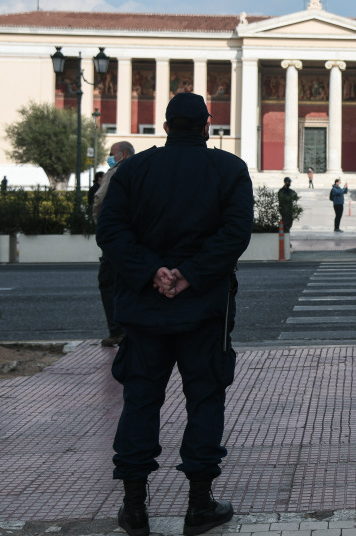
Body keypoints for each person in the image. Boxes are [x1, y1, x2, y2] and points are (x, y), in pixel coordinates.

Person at [96, 93, 252, 536]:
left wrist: (153, 272)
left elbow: (110, 230)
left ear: (166, 127)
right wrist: (190, 274)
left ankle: (134, 507)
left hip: (144, 307)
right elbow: (235, 233)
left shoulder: (133, 170)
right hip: (204, 307)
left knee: (140, 401)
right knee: (205, 400)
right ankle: (199, 505)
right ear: (207, 126)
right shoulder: (229, 169)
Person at [93, 141, 136, 348]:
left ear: (123, 154)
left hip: (116, 234)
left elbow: (99, 199)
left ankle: (117, 330)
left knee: (108, 282)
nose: (109, 158)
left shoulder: (115, 171)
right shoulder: (142, 170)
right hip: (136, 236)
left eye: (112, 154)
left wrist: (100, 225)